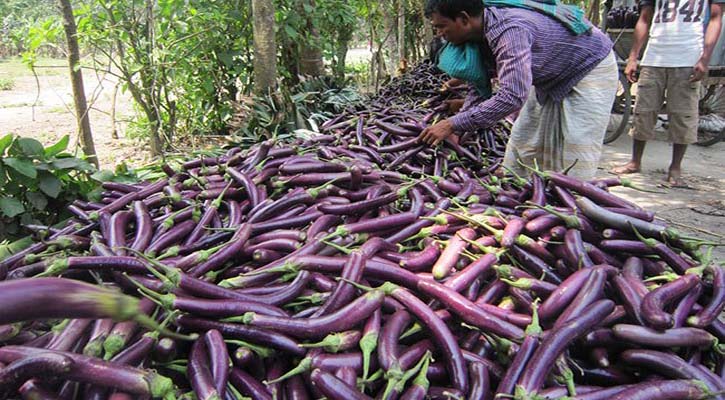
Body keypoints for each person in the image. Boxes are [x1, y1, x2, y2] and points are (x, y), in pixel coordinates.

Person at [418, 0, 619, 180]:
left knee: (577, 143)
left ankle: (577, 203)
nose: (439, 34)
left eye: (441, 27)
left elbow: (512, 97)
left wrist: (452, 124)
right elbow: (478, 89)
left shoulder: (510, 31)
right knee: (525, 136)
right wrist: (459, 127)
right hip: (550, 74)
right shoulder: (477, 37)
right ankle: (518, 187)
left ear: (463, 18)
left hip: (588, 66)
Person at [611, 0, 723, 187]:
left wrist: (705, 58)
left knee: (683, 114)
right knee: (643, 111)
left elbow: (715, 18)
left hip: (688, 57)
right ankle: (635, 162)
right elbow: (644, 18)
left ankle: (675, 168)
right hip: (654, 56)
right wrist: (633, 57)